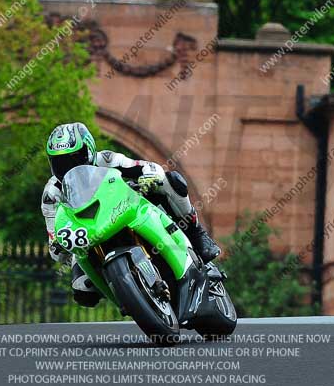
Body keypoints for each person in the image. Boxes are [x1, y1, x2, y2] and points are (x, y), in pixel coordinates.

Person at [40, 122, 221, 306]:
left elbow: (151, 168)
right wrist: (57, 245)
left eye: (74, 158)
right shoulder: (51, 193)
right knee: (82, 291)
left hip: (123, 209)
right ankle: (126, 292)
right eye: (59, 162)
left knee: (171, 181)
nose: (68, 167)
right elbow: (54, 238)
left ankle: (197, 234)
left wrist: (149, 176)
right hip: (90, 235)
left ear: (89, 149)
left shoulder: (108, 159)